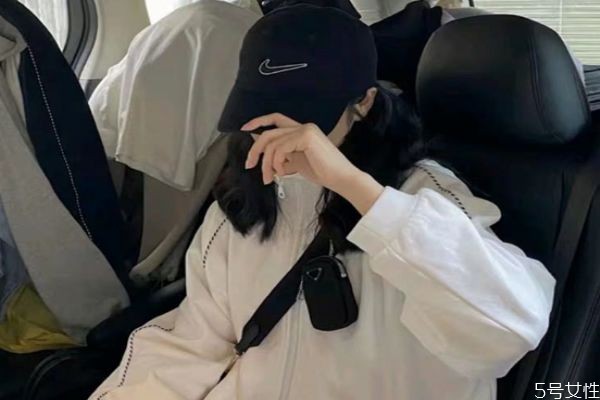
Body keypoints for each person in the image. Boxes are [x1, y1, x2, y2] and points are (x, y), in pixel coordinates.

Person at [90, 5, 555, 400]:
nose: (278, 134)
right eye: (260, 114)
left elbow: (510, 326)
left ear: (364, 103)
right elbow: (193, 346)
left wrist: (357, 190)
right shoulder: (242, 204)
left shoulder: (424, 196)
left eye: (302, 115)